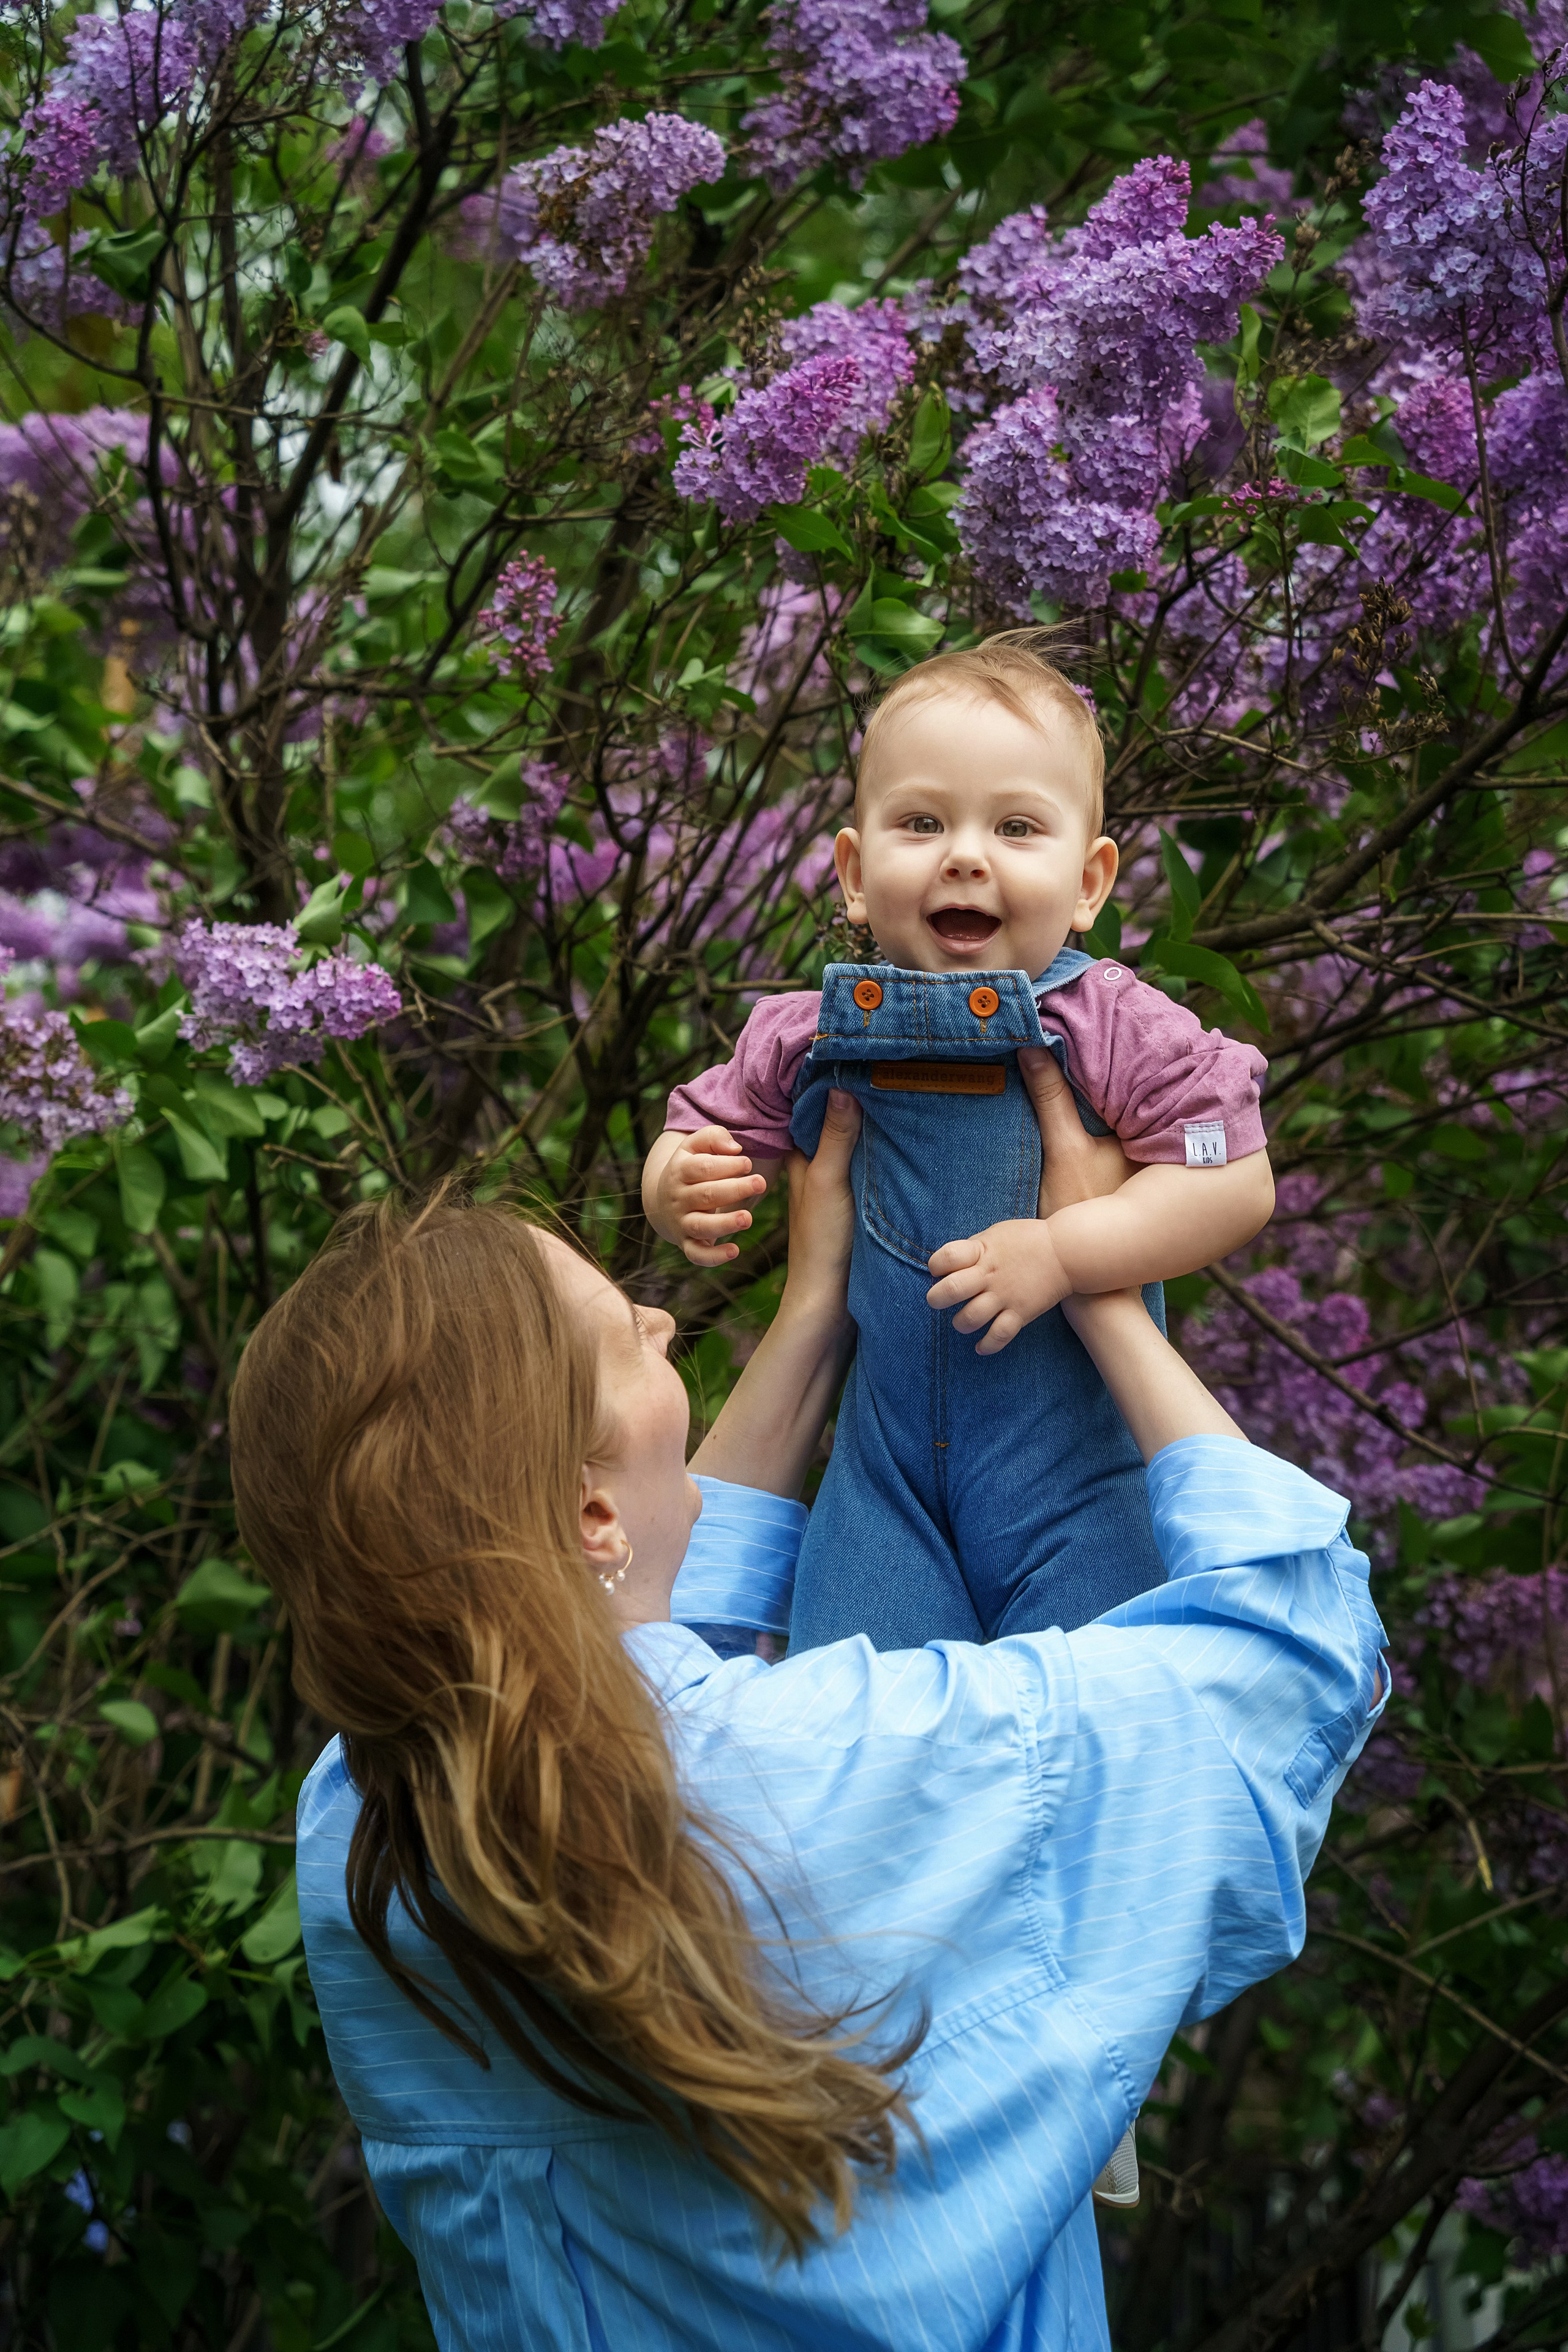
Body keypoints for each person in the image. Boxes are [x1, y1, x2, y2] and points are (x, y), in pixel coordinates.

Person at [232, 1059, 1386, 2352]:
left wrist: (819, 1314)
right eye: (632, 1338)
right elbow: (1287, 1646)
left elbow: (628, 1663)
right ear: (587, 1509)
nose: (668, 1328)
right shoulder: (843, 1768)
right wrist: (1105, 1284)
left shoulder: (359, 1830)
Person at [642, 630, 1276, 1659]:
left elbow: (1235, 1180)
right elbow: (702, 1125)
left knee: (1087, 1718)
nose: (966, 854)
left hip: (1079, 1481)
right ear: (853, 871)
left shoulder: (1114, 1024)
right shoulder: (805, 1032)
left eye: (1017, 827)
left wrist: (1070, 1252)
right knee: (860, 1720)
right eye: (922, 821)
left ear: (1089, 881)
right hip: (881, 1489)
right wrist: (684, 1180)